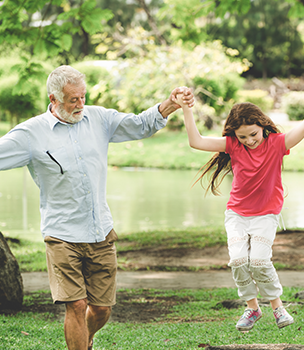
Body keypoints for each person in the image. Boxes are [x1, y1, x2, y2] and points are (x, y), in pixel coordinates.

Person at [0, 65, 194, 350]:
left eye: (82, 97)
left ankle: (87, 338)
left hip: (100, 231)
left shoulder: (99, 118)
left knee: (101, 309)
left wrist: (170, 104)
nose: (80, 105)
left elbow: (140, 125)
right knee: (76, 305)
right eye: (72, 100)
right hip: (61, 233)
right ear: (53, 99)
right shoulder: (31, 134)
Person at [176, 76, 304, 332]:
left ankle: (277, 307)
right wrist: (186, 108)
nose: (249, 141)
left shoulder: (276, 144)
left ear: (262, 126)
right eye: (243, 137)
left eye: (253, 134)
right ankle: (252, 308)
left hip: (266, 215)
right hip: (237, 214)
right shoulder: (233, 145)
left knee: (260, 261)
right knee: (239, 261)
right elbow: (196, 141)